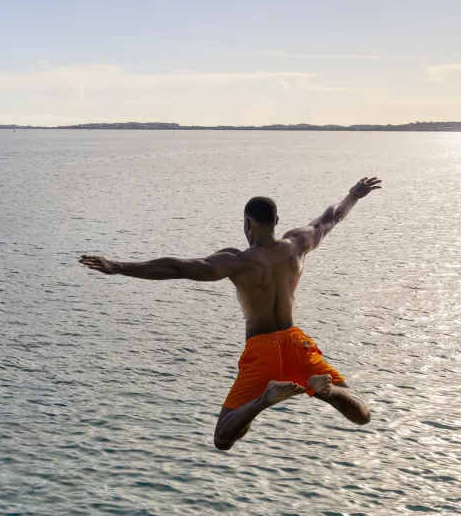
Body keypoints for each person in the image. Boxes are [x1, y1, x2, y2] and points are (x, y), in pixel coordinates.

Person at [79, 177, 382, 450]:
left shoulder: (236, 261)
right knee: (361, 412)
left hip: (261, 348)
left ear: (247, 224)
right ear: (276, 220)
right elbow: (330, 219)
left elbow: (177, 267)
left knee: (223, 437)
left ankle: (266, 399)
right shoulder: (297, 244)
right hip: (296, 342)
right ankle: (328, 393)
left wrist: (119, 267)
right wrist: (354, 195)